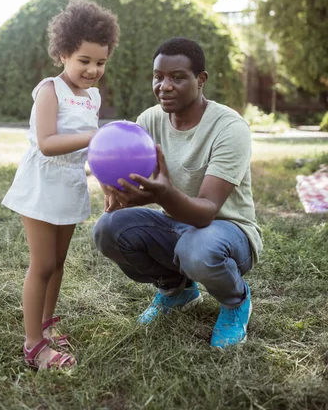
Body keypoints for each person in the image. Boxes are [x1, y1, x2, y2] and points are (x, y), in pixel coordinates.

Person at [93, 37, 262, 349]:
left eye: (178, 77)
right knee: (107, 230)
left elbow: (207, 210)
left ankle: (236, 301)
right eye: (158, 77)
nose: (164, 86)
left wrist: (162, 195)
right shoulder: (149, 120)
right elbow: (139, 185)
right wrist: (116, 187)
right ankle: (178, 291)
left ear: (201, 80)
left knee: (197, 249)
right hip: (177, 225)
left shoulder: (229, 127)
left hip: (229, 231)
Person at [2, 0, 119, 370]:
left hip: (70, 184)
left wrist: (108, 184)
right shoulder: (50, 89)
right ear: (63, 53)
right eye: (84, 60)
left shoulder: (93, 97)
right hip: (41, 183)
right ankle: (33, 344)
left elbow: (92, 151)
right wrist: (92, 135)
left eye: (100, 62)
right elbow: (48, 143)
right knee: (42, 264)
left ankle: (48, 324)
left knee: (59, 263)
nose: (92, 69)